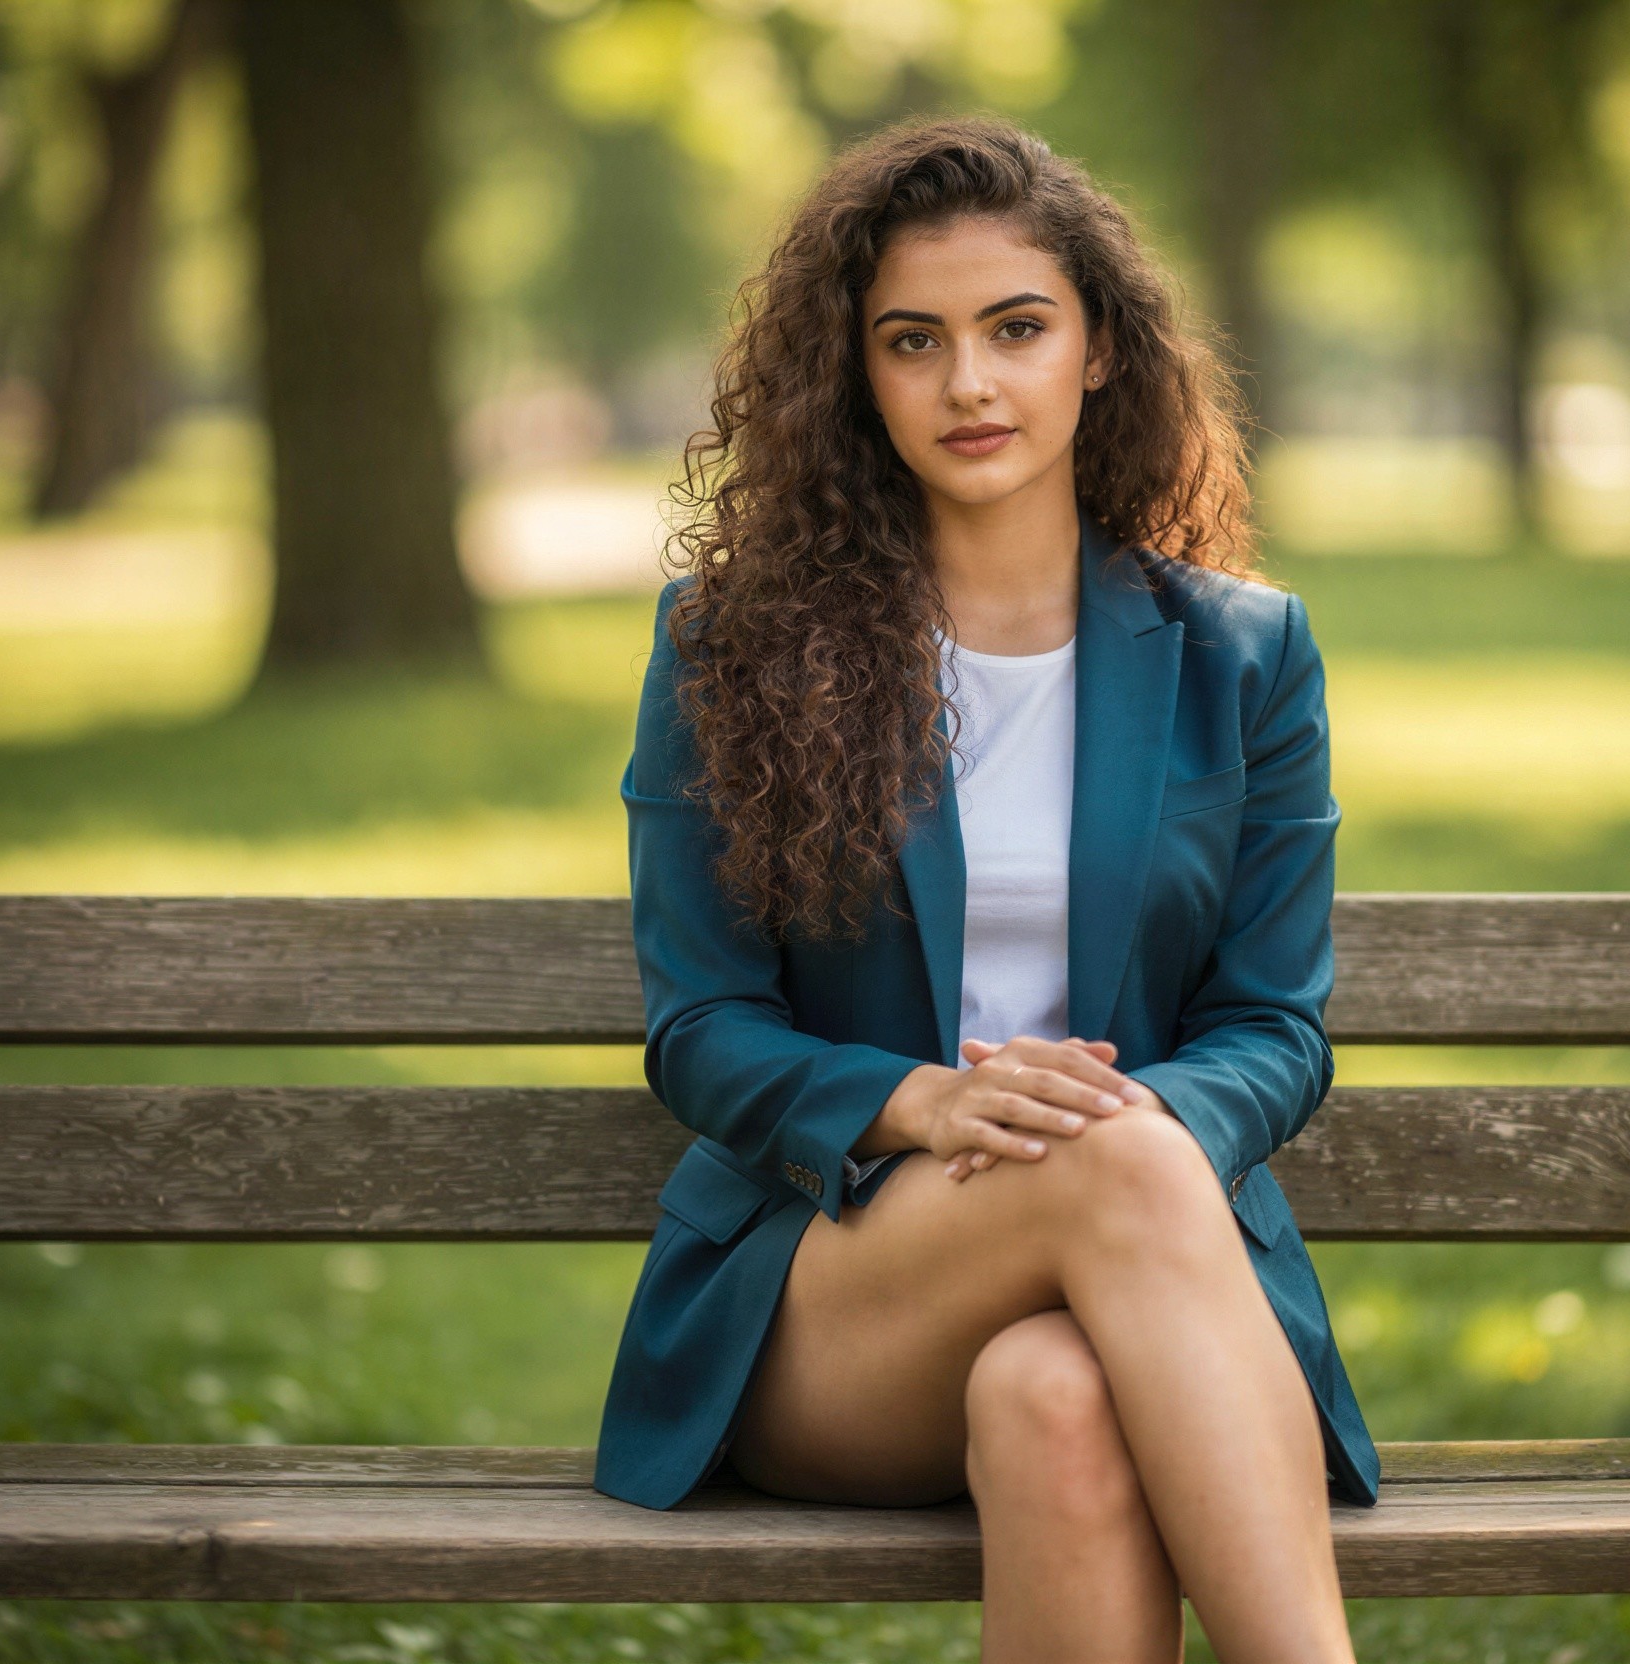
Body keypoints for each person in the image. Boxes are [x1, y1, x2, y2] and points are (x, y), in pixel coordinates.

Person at [596, 113, 1377, 1663]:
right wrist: (922, 1105)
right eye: (914, 341)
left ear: (1098, 352)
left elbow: (1274, 1029)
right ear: (855, 376)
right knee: (1126, 1163)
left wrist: (1139, 1124)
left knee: (1058, 1401)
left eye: (1018, 328)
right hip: (839, 1287)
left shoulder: (1243, 656)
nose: (970, 384)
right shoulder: (730, 646)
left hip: (1140, 1295)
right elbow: (703, 1028)